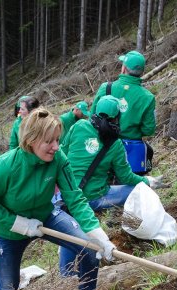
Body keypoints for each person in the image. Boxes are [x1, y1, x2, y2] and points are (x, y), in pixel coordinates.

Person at [0, 107, 117, 290]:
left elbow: (75, 197)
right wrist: (20, 224)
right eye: (49, 141)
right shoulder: (6, 166)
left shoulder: (58, 158)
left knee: (89, 248)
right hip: (9, 231)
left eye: (57, 140)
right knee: (8, 289)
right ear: (31, 140)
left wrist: (97, 233)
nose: (55, 147)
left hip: (45, 215)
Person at [58, 96, 166, 276]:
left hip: (68, 195)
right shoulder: (115, 145)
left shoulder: (78, 127)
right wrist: (148, 181)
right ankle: (135, 228)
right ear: (117, 118)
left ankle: (65, 275)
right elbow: (125, 176)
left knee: (72, 230)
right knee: (136, 191)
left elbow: (62, 152)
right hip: (96, 197)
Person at [91, 50, 156, 174]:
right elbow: (149, 130)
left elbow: (92, 117)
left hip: (104, 149)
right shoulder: (148, 97)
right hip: (131, 154)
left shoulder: (106, 88)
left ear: (124, 68)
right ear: (142, 72)